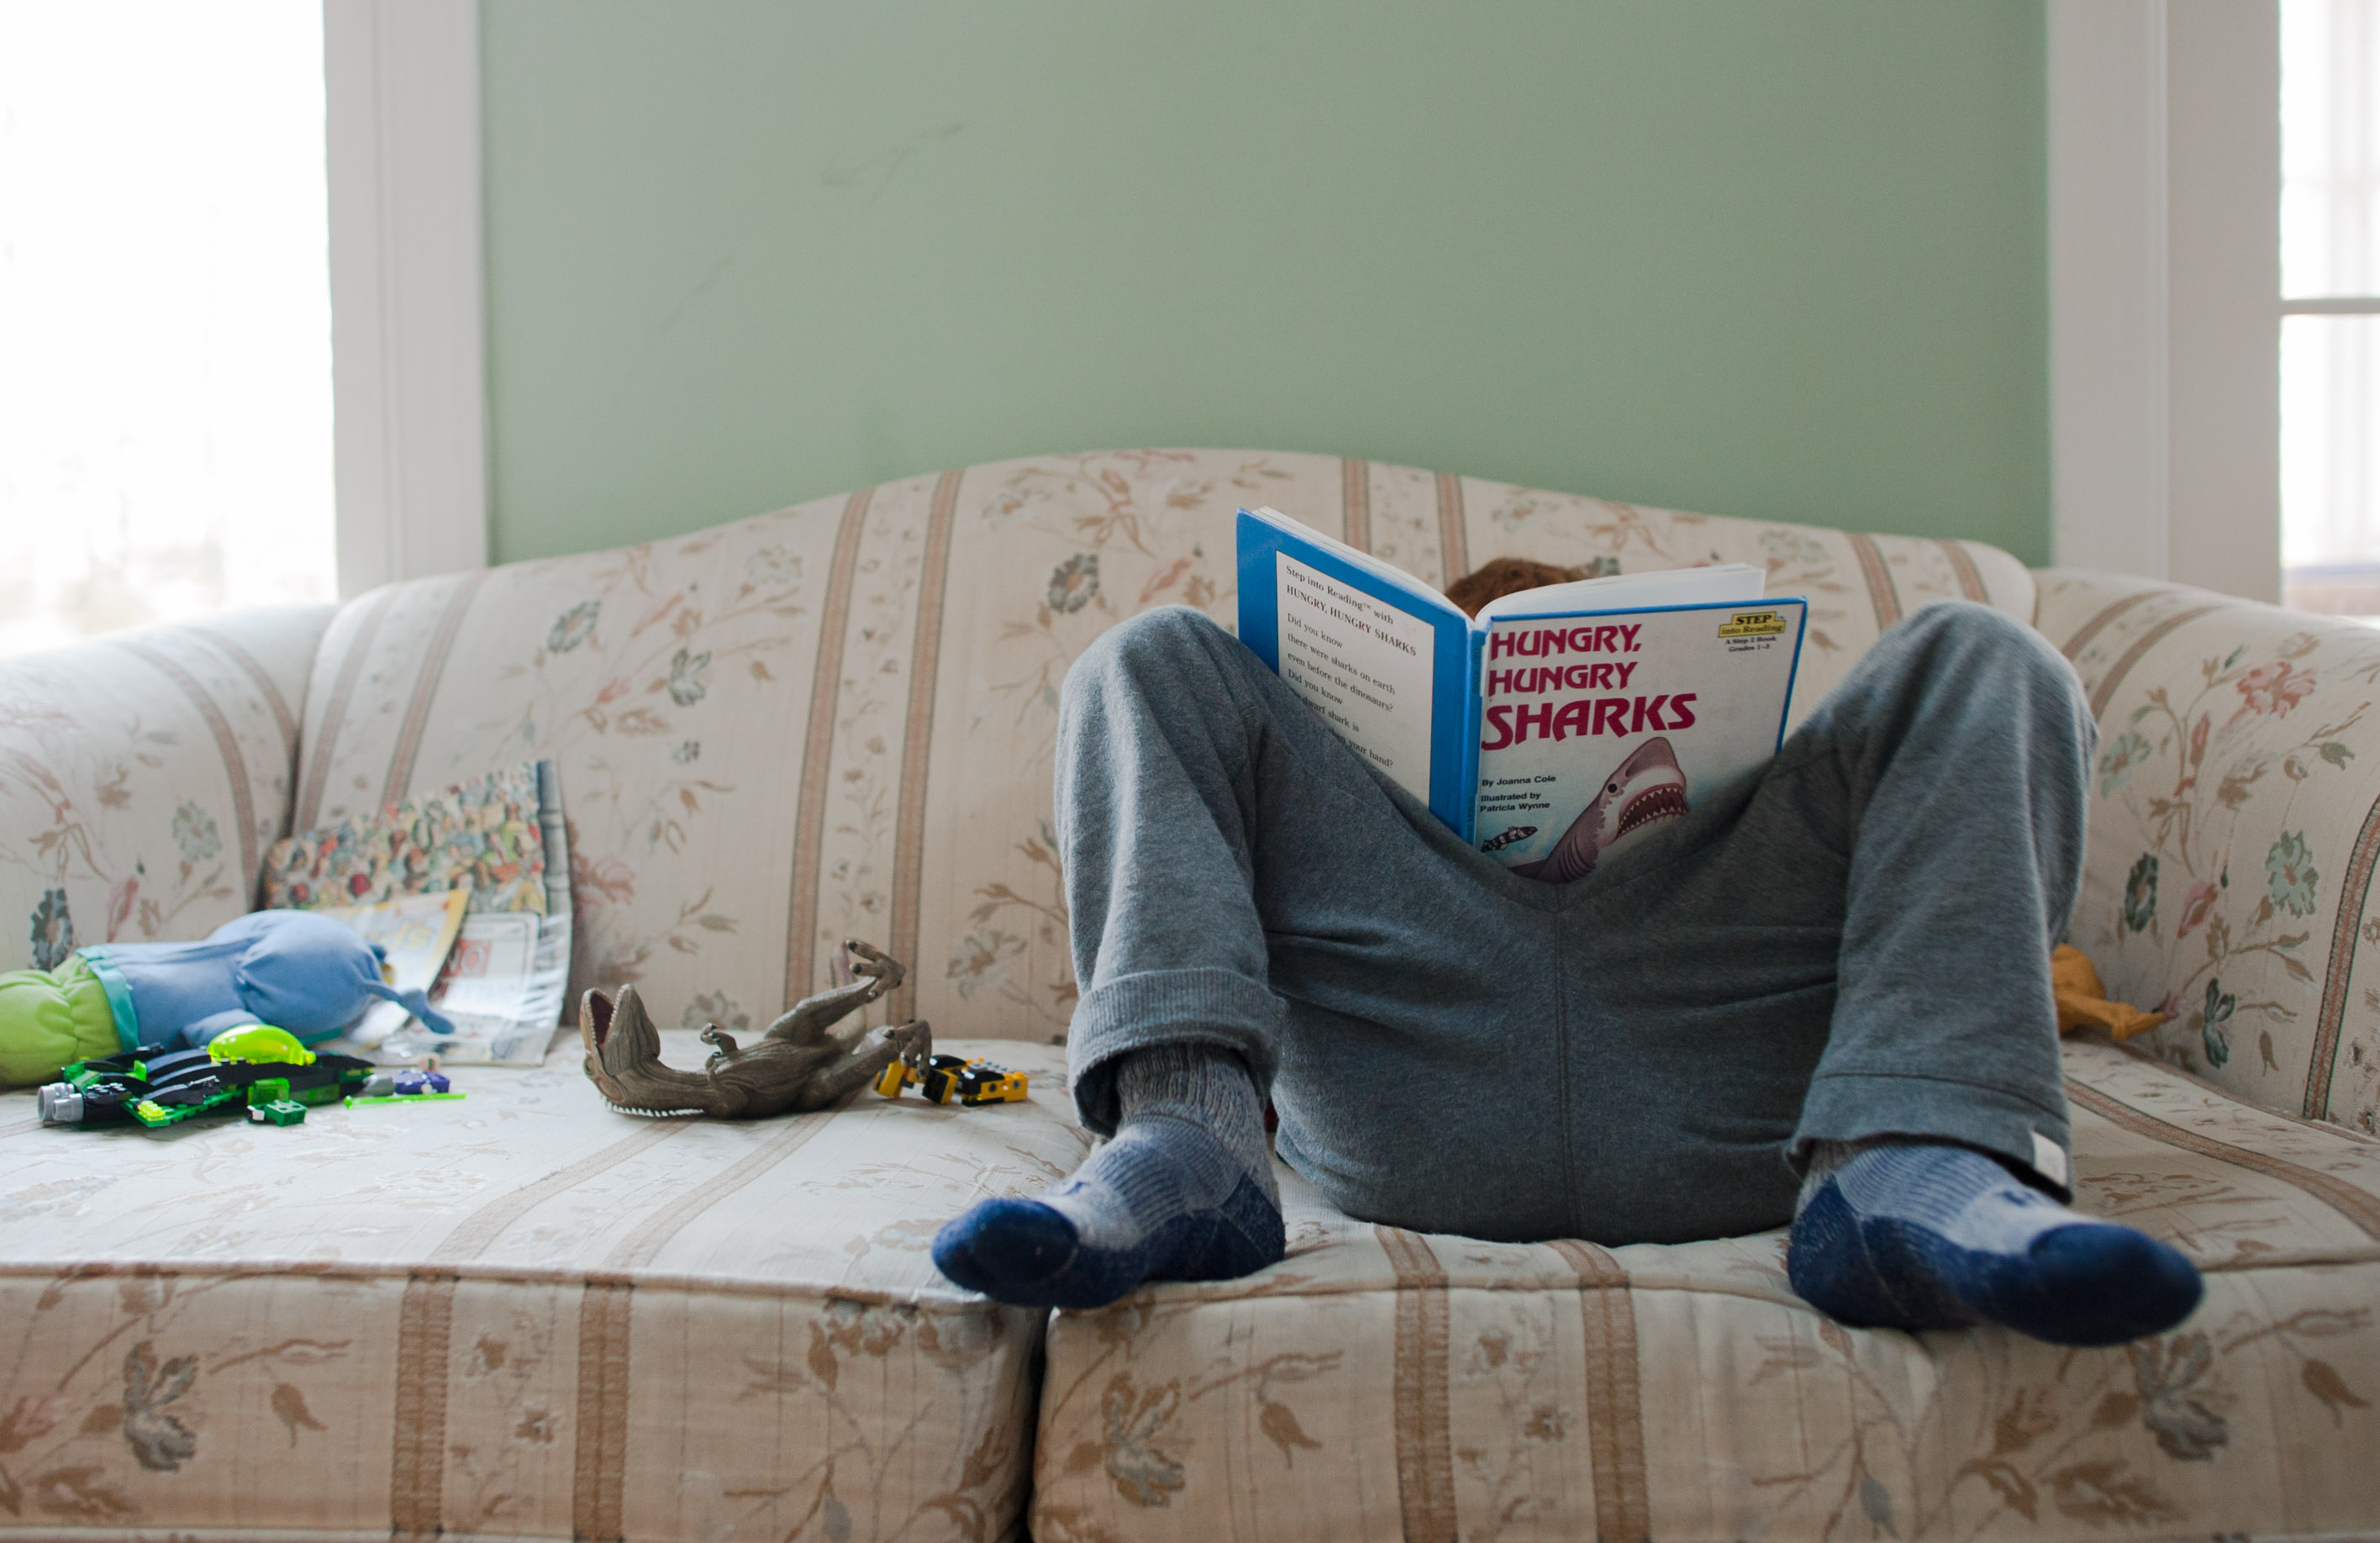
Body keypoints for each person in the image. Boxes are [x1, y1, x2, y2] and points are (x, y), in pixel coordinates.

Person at [931, 562, 2204, 1347]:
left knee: (1989, 655)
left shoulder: (1757, 817)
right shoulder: (1339, 797)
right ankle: (1186, 1143)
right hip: (1415, 1041)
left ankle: (1913, 1173)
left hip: (1725, 1043)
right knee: (1146, 655)